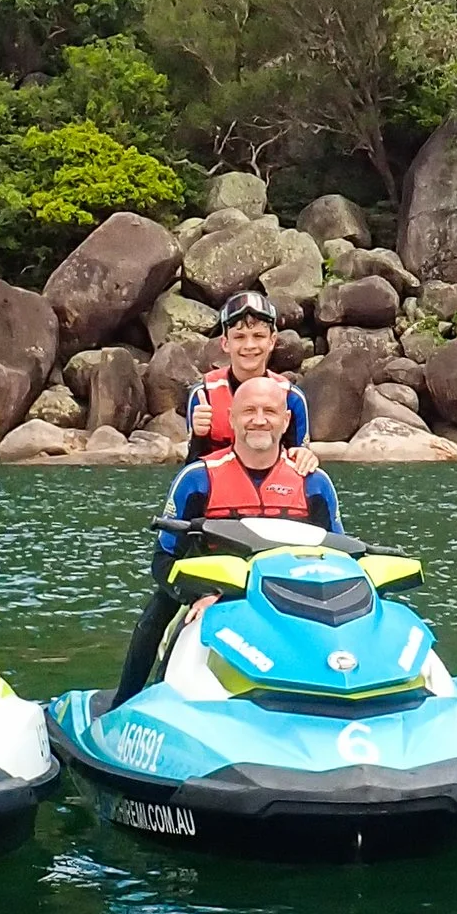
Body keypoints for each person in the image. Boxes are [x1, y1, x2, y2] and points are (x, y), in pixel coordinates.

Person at [115, 373, 346, 700]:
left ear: (286, 420)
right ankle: (123, 705)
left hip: (293, 596)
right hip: (213, 592)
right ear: (232, 419)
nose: (259, 421)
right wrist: (201, 594)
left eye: (269, 412)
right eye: (249, 412)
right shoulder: (197, 479)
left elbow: (342, 558)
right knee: (156, 617)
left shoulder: (314, 482)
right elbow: (163, 559)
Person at [184, 288, 312, 460]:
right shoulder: (203, 396)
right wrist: (199, 437)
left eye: (258, 336)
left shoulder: (292, 398)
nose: (249, 345)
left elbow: (300, 464)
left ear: (272, 341)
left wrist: (305, 456)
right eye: (240, 337)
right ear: (225, 343)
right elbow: (193, 470)